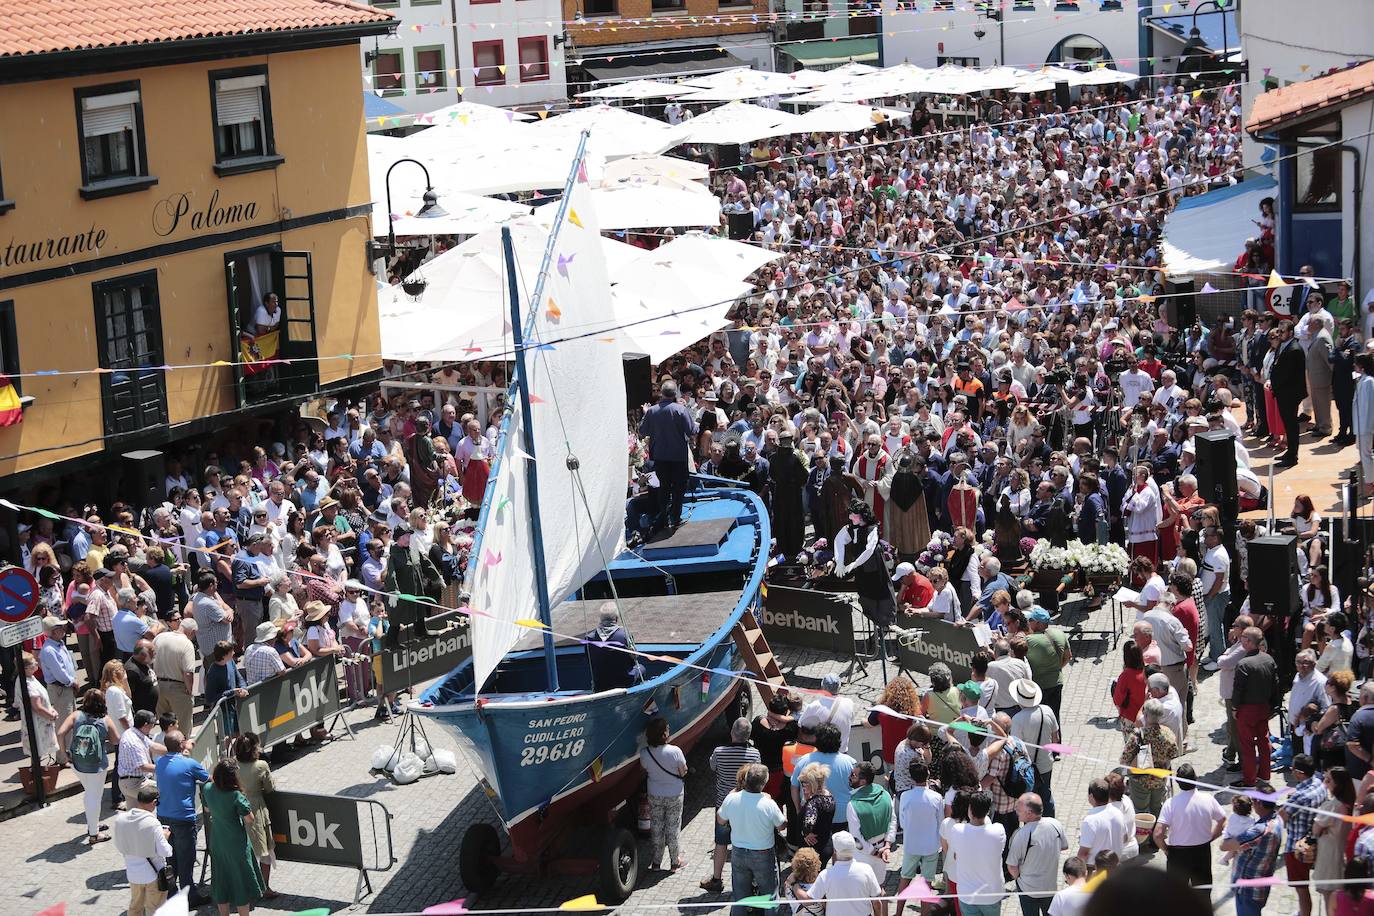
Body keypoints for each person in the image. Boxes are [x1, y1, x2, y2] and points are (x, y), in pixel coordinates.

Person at [701, 717, 761, 894]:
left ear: (732, 732)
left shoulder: (719, 752)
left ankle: (717, 879)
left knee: (721, 844)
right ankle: (747, 882)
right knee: (745, 844)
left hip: (724, 807)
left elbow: (713, 767)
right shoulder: (754, 754)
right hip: (746, 806)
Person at [718, 762, 786, 916]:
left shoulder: (732, 799)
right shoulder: (768, 803)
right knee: (769, 896)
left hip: (738, 853)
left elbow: (721, 820)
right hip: (763, 854)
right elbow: (782, 826)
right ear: (764, 783)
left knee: (740, 895)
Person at [202, 759, 266, 914]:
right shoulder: (236, 795)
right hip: (236, 843)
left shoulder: (208, 788)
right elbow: (249, 819)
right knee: (240, 883)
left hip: (217, 841)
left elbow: (206, 809)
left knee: (221, 879)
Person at [156, 730, 210, 902]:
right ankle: (190, 896)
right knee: (187, 858)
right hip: (183, 818)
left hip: (163, 817)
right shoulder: (189, 764)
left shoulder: (159, 762)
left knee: (170, 859)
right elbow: (208, 778)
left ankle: (171, 894)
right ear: (181, 745)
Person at [57, 687, 116, 844]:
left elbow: (60, 733)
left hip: (77, 762)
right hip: (97, 765)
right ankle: (94, 834)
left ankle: (93, 824)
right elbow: (116, 740)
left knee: (89, 793)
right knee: (94, 797)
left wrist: (64, 753)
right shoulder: (106, 720)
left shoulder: (77, 715)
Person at [1152, 762, 1225, 887]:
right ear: (1195, 779)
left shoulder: (1170, 804)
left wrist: (1166, 849)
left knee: (1176, 896)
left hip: (1178, 854)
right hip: (1202, 851)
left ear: (1178, 782)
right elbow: (1222, 820)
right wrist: (1211, 837)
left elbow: (1158, 834)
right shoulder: (1208, 799)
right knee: (1203, 893)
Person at [639, 381, 697, 533]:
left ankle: (664, 519)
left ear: (662, 393)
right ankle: (675, 518)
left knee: (664, 487)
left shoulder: (652, 411)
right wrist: (696, 424)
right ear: (674, 394)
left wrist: (647, 414)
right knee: (679, 488)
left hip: (660, 456)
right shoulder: (680, 410)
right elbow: (691, 430)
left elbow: (643, 431)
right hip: (678, 456)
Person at [1221, 786, 1285, 916]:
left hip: (1248, 889)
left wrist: (1228, 828)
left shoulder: (1259, 830)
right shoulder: (1277, 819)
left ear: (1260, 803)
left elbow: (1224, 846)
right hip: (1260, 885)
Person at [944, 790, 1007, 916]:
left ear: (970, 810)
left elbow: (956, 855)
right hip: (992, 894)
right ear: (988, 811)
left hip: (967, 895)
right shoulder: (998, 830)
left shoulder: (957, 830)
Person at [113, 782, 173, 916]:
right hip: (153, 875)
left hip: (133, 874)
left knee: (135, 908)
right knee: (154, 908)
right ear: (154, 802)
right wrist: (165, 837)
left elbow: (119, 845)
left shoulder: (120, 819)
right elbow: (166, 851)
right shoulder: (153, 823)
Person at [791, 830, 885, 916]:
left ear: (835, 851)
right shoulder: (866, 870)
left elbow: (807, 900)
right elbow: (876, 903)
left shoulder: (826, 875)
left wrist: (794, 884)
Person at [1232, 626, 1281, 788]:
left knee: (1247, 745)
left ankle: (1249, 779)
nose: (1241, 639)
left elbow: (1238, 690)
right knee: (1263, 740)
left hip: (1247, 709)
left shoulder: (1243, 664)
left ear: (1249, 641)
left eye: (1244, 637)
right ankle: (1265, 775)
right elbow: (1275, 684)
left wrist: (1234, 708)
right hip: (1263, 707)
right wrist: (1274, 704)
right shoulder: (1269, 659)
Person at [1006, 791, 1068, 916]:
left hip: (1028, 890)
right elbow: (1063, 846)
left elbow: (1012, 866)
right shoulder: (1055, 824)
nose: (1016, 810)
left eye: (1019, 808)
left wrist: (1019, 878)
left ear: (1029, 813)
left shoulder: (1021, 834)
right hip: (1050, 887)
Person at [233, 732, 278, 898]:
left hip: (235, 810)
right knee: (263, 851)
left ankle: (244, 886)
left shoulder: (232, 764)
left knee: (240, 850)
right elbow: (270, 788)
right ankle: (264, 887)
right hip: (255, 811)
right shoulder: (261, 765)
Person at [640, 717, 688, 872]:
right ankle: (675, 862)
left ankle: (656, 862)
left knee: (657, 828)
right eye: (667, 729)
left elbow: (645, 770)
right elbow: (683, 771)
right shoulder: (675, 751)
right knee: (673, 829)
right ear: (663, 734)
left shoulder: (645, 753)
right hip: (674, 794)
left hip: (654, 794)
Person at [1009, 678, 1061, 819]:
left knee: (1029, 801)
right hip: (1045, 764)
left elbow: (1015, 748)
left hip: (1026, 769)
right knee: (1046, 795)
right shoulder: (1047, 711)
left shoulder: (1017, 719)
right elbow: (1055, 738)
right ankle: (1050, 821)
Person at [896, 760, 943, 914]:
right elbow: (940, 822)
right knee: (927, 882)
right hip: (931, 846)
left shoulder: (905, 796)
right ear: (928, 774)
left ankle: (898, 913)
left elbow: (902, 823)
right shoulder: (936, 797)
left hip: (911, 845)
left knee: (905, 878)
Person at [1121, 698, 1179, 818]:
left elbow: (1124, 759)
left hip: (1140, 781)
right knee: (1157, 809)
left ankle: (1144, 836)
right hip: (1159, 779)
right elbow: (1173, 754)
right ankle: (1155, 835)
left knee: (1140, 812)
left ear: (1145, 715)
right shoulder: (1168, 734)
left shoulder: (1137, 736)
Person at [38, 614, 78, 767]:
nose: (63, 629)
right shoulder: (49, 650)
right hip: (60, 689)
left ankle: (70, 752)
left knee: (71, 722)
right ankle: (62, 757)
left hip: (67, 688)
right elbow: (59, 673)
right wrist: (72, 682)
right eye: (60, 627)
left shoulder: (59, 644)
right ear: (53, 631)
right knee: (63, 724)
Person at [845, 761, 896, 876]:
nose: (849, 777)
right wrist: (887, 845)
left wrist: (873, 851)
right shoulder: (885, 794)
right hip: (883, 849)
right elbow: (892, 821)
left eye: (853, 775)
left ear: (863, 781)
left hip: (864, 855)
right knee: (879, 888)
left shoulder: (853, 805)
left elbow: (856, 837)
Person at [152, 611, 196, 741]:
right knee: (182, 729)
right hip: (178, 689)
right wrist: (189, 690)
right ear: (192, 632)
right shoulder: (187, 644)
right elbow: (188, 672)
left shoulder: (159, 637)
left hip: (158, 686)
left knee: (165, 728)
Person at [1270, 319, 1307, 467]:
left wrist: (1276, 384)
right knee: (1287, 424)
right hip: (1283, 392)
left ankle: (1293, 455)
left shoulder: (1294, 349)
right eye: (1278, 331)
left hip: (1290, 393)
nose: (1279, 334)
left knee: (1291, 424)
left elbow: (1288, 374)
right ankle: (1290, 451)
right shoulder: (1283, 346)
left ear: (1290, 332)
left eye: (1282, 331)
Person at [1024, 608, 1071, 717]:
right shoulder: (1059, 633)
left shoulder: (1030, 640)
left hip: (1040, 684)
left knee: (1041, 716)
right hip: (1057, 682)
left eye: (1031, 620)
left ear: (1038, 623)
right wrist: (1057, 667)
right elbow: (1068, 657)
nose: (1029, 622)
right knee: (1055, 716)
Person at [15, 652, 58, 762]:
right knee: (38, 751)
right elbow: (37, 707)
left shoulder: (30, 678)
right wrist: (51, 715)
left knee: (38, 753)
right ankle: (37, 776)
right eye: (33, 663)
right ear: (25, 668)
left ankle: (38, 773)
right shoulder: (27, 683)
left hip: (39, 721)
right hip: (37, 723)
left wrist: (50, 709)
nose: (36, 663)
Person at [800, 672, 856, 753]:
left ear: (822, 687)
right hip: (842, 752)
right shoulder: (849, 703)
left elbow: (801, 724)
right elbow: (851, 720)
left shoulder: (814, 706)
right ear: (839, 687)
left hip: (822, 752)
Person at [116, 709, 160, 802]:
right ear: (146, 724)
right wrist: (167, 768)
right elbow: (144, 767)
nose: (153, 727)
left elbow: (154, 746)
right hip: (134, 784)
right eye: (152, 725)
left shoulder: (135, 732)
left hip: (130, 782)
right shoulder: (134, 742)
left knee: (134, 812)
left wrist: (174, 750)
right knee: (165, 790)